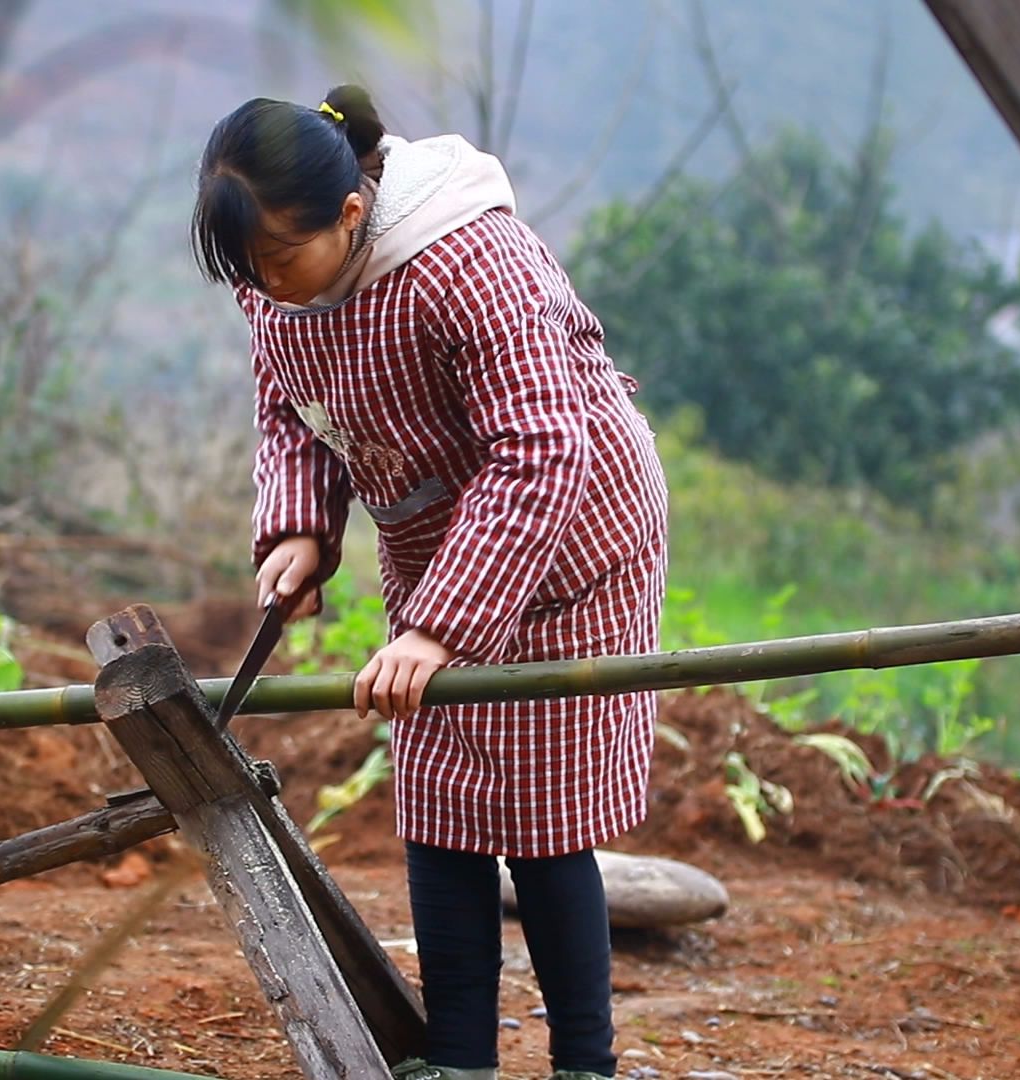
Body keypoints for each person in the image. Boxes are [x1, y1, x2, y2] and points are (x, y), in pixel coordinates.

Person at [190, 84, 668, 1080]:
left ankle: (584, 1062)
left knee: (541, 815)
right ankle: (460, 1062)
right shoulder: (274, 281)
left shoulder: (465, 260)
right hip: (438, 540)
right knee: (442, 804)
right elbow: (291, 410)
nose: (266, 286)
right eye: (250, 268)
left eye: (281, 259)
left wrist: (438, 628)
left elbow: (540, 447)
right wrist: (301, 531)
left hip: (571, 537)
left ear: (352, 214)